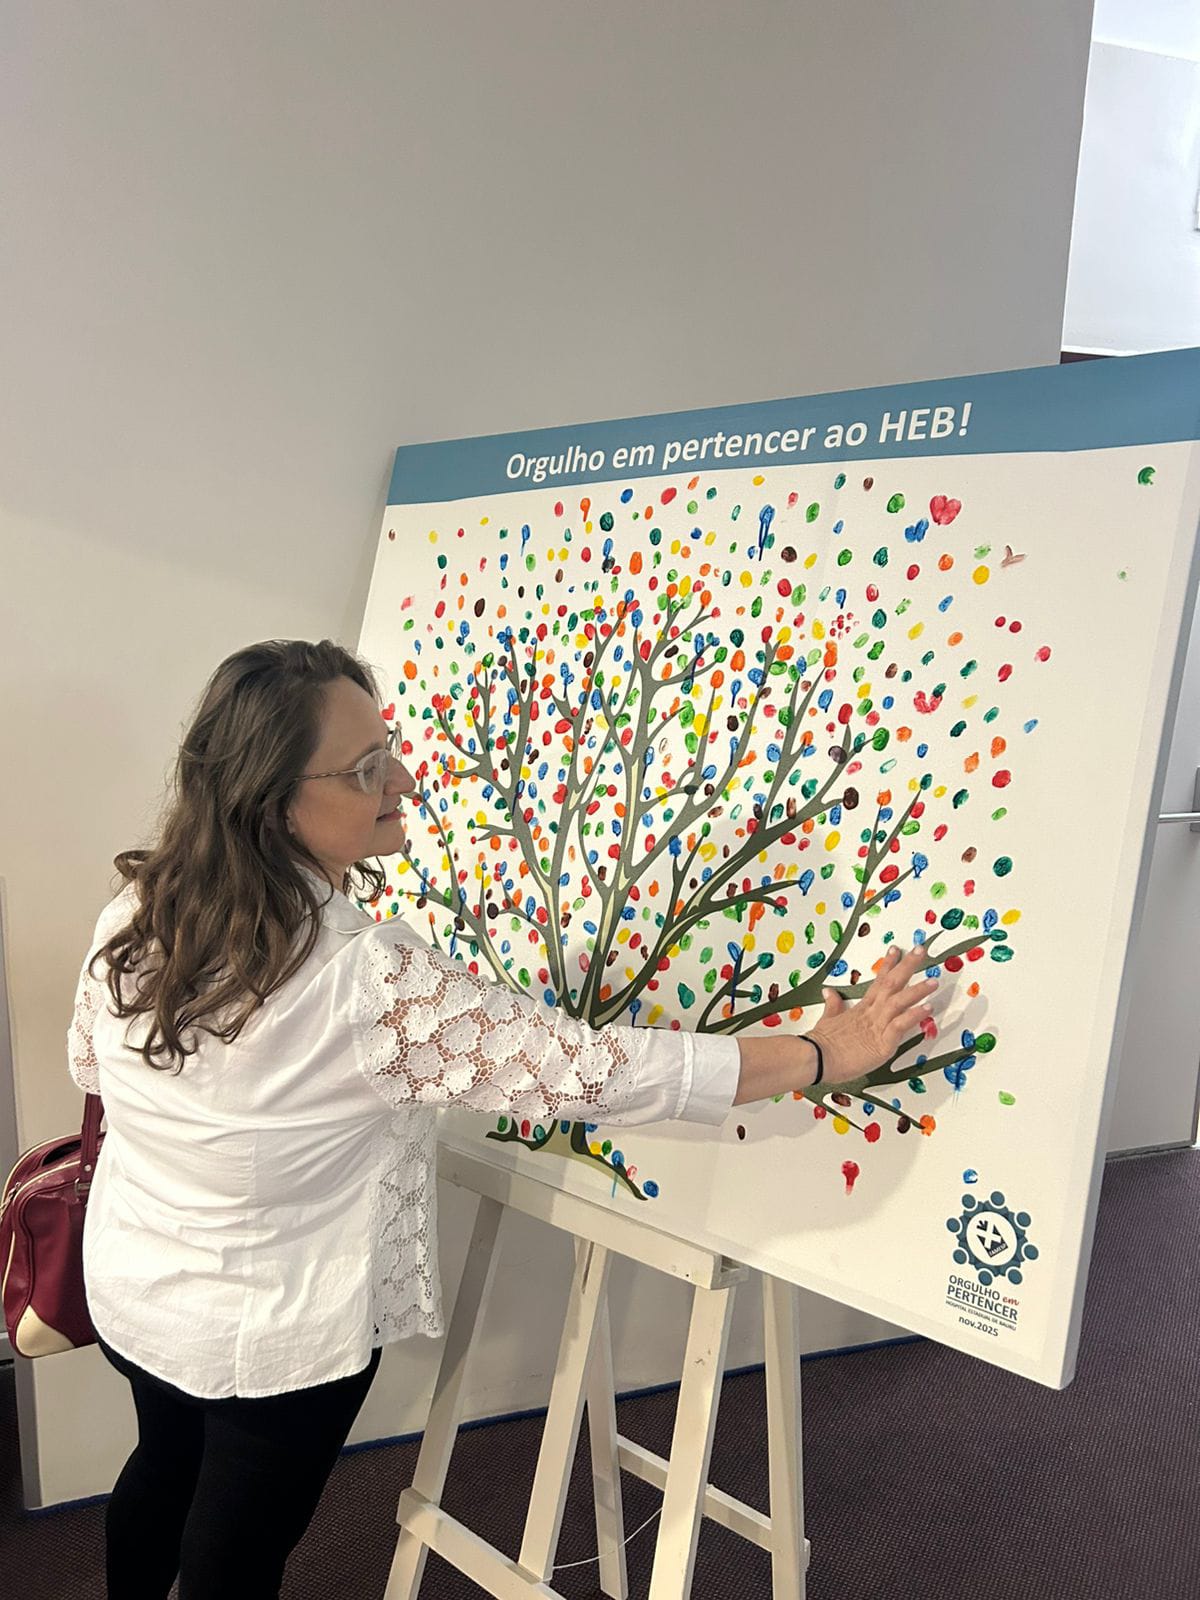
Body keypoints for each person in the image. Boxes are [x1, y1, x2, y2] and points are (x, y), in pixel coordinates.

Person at [67, 639, 938, 1599]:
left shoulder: (141, 907)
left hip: (142, 1287)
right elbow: (596, 1073)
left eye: (389, 749)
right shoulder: (370, 982)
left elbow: (90, 1067)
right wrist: (821, 1054)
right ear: (273, 803)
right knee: (236, 1548)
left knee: (162, 1469)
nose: (403, 780)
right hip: (269, 1334)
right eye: (366, 769)